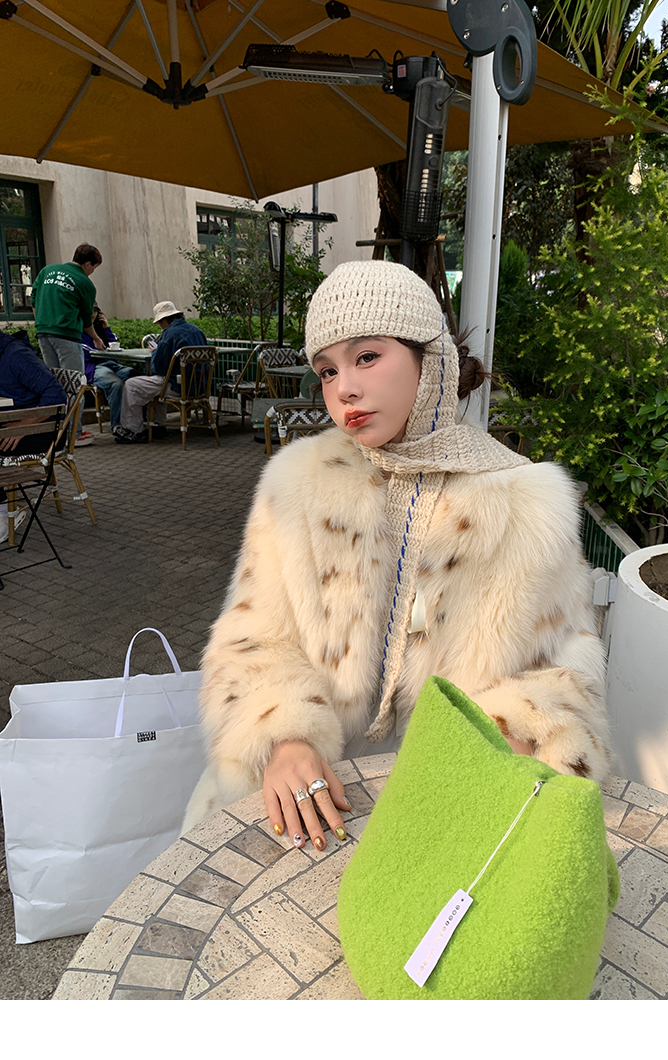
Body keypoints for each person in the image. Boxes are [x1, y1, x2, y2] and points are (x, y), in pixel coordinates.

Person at [183, 261, 611, 851]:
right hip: (308, 790)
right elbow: (250, 639)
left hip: (455, 799)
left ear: (428, 358)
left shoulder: (527, 504)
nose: (344, 389)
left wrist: (512, 736)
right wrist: (283, 736)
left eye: (366, 357)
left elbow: (566, 672)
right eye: (327, 370)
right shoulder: (297, 483)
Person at [31, 243, 105, 448]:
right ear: (88, 264)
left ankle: (54, 431)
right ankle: (74, 433)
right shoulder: (84, 282)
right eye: (94, 267)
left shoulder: (47, 271)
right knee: (75, 386)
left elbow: (34, 298)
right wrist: (96, 338)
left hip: (43, 333)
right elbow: (87, 318)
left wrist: (41, 321)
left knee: (55, 384)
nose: (92, 272)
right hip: (67, 336)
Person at [0, 328, 67, 542]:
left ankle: (4, 515)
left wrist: (24, 425)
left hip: (44, 430)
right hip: (12, 422)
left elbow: (57, 396)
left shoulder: (16, 355)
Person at [115, 300, 207, 444]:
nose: (160, 326)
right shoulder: (197, 331)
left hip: (177, 385)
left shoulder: (169, 334)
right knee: (154, 387)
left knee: (132, 385)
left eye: (160, 323)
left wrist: (155, 352)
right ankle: (159, 425)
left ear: (164, 320)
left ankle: (134, 430)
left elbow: (159, 368)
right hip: (200, 385)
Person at [81, 305, 134, 433]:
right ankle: (118, 425)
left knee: (135, 377)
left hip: (111, 364)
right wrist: (102, 349)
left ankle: (143, 421)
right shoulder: (77, 332)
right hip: (94, 367)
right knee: (116, 384)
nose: (92, 314)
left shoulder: (99, 329)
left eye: (95, 310)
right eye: (89, 310)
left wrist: (106, 327)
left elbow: (113, 344)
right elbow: (88, 352)